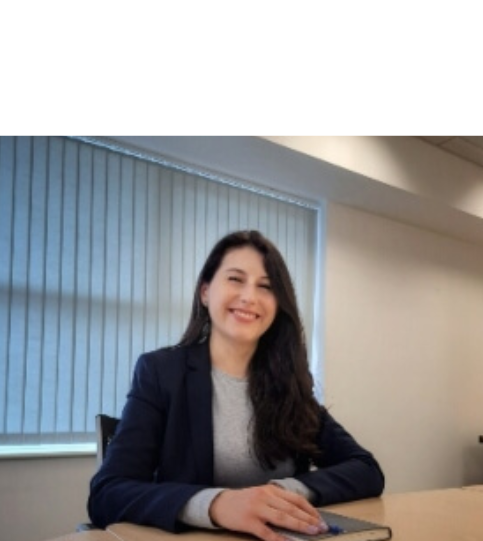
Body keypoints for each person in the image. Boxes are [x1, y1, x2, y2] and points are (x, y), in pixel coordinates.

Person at [88, 230, 384, 541]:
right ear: (205, 291)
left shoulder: (290, 382)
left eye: (266, 287)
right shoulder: (162, 372)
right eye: (235, 279)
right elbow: (108, 492)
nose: (249, 297)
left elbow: (366, 469)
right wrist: (215, 504)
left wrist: (280, 493)